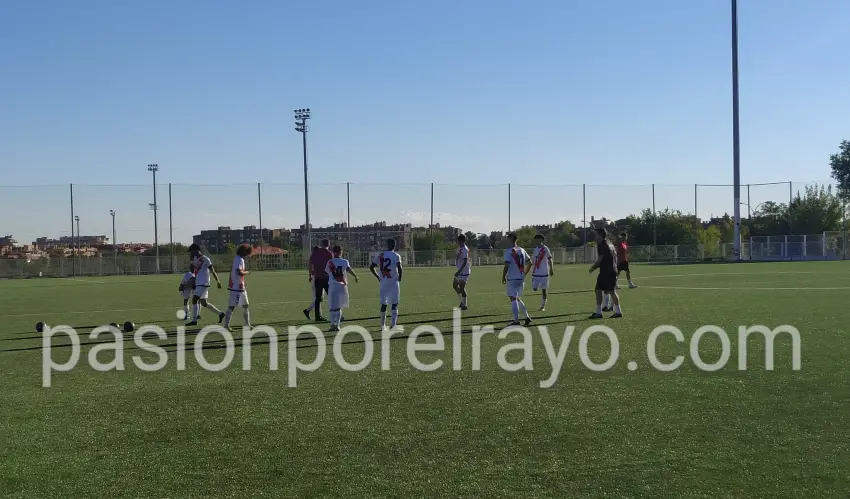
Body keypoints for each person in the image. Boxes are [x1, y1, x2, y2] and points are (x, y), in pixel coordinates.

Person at [187, 244, 225, 326]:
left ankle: (194, 321)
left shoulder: (205, 259)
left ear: (196, 250)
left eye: (191, 252)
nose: (191, 254)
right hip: (199, 283)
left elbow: (212, 270)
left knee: (194, 299)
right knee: (204, 303)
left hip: (203, 282)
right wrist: (191, 264)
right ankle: (220, 314)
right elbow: (192, 270)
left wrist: (218, 281)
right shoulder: (195, 259)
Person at [369, 238, 403, 331]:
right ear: (394, 245)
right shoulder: (396, 255)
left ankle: (382, 325)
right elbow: (399, 268)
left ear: (387, 245)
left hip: (383, 282)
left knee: (384, 303)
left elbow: (371, 267)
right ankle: (393, 325)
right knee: (394, 303)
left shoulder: (381, 255)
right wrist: (400, 278)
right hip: (393, 282)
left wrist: (378, 277)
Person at [589, 228, 622, 318]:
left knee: (601, 290)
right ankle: (617, 311)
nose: (595, 236)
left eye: (596, 234)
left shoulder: (602, 244)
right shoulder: (609, 243)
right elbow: (614, 256)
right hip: (611, 270)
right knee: (607, 290)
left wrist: (593, 267)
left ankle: (600, 312)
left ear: (600, 235)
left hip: (606, 271)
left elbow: (600, 260)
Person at [325, 245, 359, 332]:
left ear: (333, 252)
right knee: (339, 307)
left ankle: (332, 324)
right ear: (341, 252)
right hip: (342, 286)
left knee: (332, 307)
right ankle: (337, 325)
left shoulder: (330, 262)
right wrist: (355, 276)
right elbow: (349, 270)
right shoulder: (344, 261)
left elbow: (327, 273)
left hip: (333, 285)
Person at [502, 233, 532, 326]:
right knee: (517, 298)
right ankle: (527, 317)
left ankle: (516, 321)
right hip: (520, 278)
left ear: (510, 240)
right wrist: (525, 273)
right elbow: (530, 262)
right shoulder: (522, 250)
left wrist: (503, 276)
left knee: (513, 299)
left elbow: (507, 265)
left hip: (512, 278)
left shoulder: (509, 251)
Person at [224, 244, 252, 331]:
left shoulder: (238, 259)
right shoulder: (239, 259)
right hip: (236, 288)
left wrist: (242, 281)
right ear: (244, 251)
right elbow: (239, 272)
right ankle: (226, 325)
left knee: (245, 305)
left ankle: (247, 324)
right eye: (247, 252)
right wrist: (248, 272)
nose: (247, 254)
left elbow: (234, 272)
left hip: (240, 287)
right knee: (231, 306)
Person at [304, 240, 332, 322]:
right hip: (327, 278)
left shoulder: (315, 253)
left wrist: (310, 275)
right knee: (331, 297)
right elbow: (332, 265)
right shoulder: (329, 253)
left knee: (318, 298)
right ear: (329, 245)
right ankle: (335, 314)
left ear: (321, 244)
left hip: (317, 277)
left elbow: (310, 263)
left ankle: (317, 316)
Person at [531, 234, 554, 311]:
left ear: (541, 240)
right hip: (536, 272)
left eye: (537, 239)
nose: (536, 241)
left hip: (544, 273)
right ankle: (534, 281)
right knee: (534, 288)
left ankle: (543, 306)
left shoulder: (545, 249)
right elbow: (534, 260)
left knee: (544, 290)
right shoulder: (535, 249)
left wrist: (551, 269)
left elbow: (550, 259)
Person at [453, 234, 471, 310]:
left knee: (462, 287)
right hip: (460, 271)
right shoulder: (461, 248)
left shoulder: (464, 249)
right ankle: (462, 302)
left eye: (458, 241)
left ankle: (464, 304)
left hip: (464, 272)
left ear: (462, 241)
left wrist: (459, 271)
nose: (458, 243)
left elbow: (465, 261)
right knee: (454, 285)